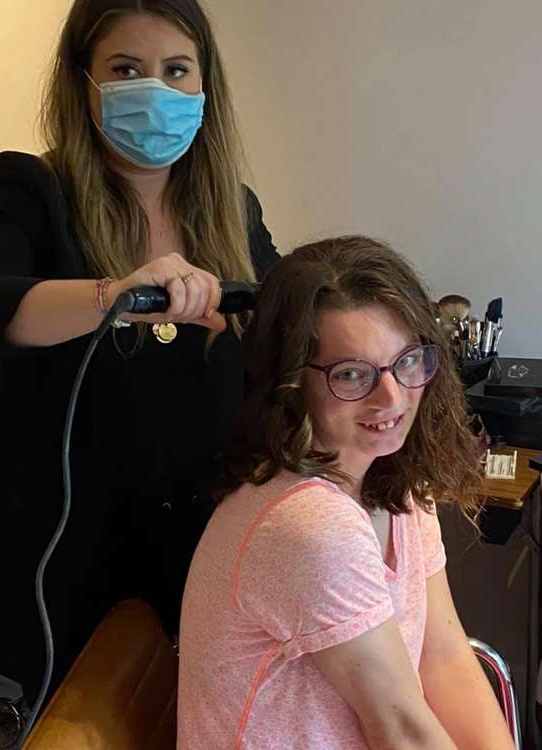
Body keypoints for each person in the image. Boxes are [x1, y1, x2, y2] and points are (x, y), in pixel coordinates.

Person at [0, 0, 278, 705]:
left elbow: (278, 331)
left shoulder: (233, 212)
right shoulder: (32, 190)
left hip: (197, 550)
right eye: (125, 69)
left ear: (205, 84)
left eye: (176, 69)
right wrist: (112, 293)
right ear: (82, 82)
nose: (155, 89)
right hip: (53, 561)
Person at [177, 237, 515, 749]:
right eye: (352, 374)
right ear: (290, 382)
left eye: (407, 361)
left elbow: (443, 660)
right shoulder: (308, 526)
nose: (393, 396)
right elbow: (404, 731)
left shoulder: (394, 479)